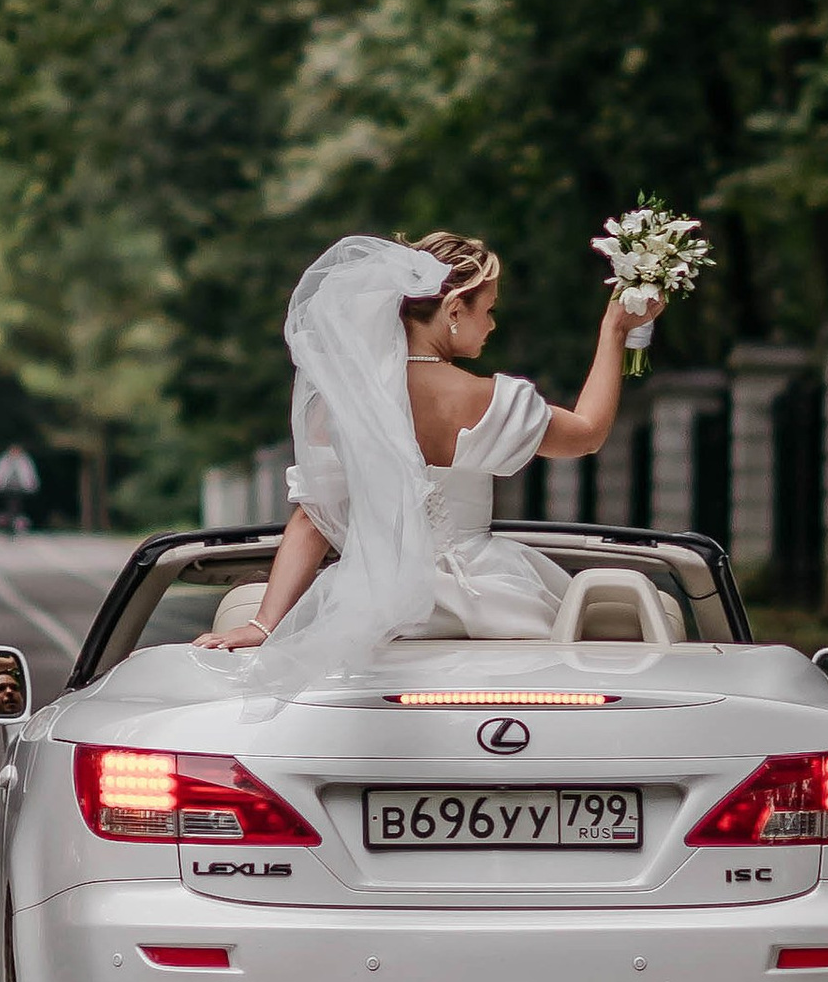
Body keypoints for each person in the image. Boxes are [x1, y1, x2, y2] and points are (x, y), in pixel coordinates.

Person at [194, 228, 648, 674]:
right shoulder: (489, 398)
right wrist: (614, 331)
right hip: (492, 594)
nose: (491, 324)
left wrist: (264, 623)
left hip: (376, 599)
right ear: (454, 309)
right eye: (487, 310)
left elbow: (311, 519)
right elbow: (587, 434)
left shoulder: (345, 405)